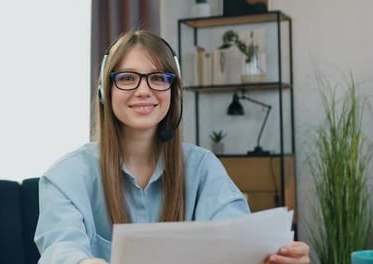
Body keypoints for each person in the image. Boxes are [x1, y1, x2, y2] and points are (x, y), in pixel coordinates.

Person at [34, 29, 310, 264]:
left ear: (173, 91)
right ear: (105, 91)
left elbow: (236, 240)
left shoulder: (203, 169)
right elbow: (60, 248)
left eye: (158, 78)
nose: (144, 90)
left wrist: (274, 257)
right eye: (127, 78)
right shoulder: (65, 177)